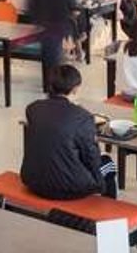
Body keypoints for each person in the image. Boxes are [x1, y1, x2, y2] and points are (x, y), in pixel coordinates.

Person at [21, 62, 119, 200]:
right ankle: (108, 212)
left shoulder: (33, 109)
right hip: (68, 188)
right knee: (107, 164)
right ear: (75, 89)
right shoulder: (83, 117)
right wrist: (99, 183)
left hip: (32, 181)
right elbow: (91, 156)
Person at [26, 0, 75, 93]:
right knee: (54, 56)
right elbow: (66, 0)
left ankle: (49, 85)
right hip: (55, 22)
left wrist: (35, 19)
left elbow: (33, 0)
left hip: (43, 22)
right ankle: (54, 87)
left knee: (49, 56)